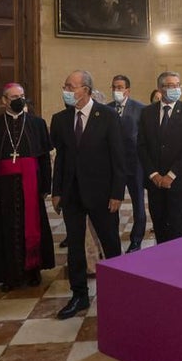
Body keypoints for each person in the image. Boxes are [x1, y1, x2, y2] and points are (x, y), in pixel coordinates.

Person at [50, 70, 126, 319]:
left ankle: (118, 292)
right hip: (72, 194)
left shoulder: (107, 115)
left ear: (86, 90)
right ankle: (79, 295)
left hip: (102, 194)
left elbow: (118, 158)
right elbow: (60, 159)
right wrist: (57, 191)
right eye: (65, 86)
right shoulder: (60, 119)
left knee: (111, 243)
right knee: (75, 248)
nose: (67, 90)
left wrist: (117, 193)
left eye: (71, 86)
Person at [0, 82, 54, 291]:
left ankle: (33, 270)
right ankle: (9, 274)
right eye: (13, 97)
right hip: (3, 187)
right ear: (4, 101)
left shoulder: (37, 124)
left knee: (33, 226)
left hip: (31, 184)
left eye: (21, 95)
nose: (19, 100)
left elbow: (44, 159)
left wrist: (47, 186)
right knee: (6, 230)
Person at [138, 71, 182, 243]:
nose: (175, 89)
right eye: (170, 86)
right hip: (154, 183)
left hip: (178, 182)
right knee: (160, 228)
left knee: (178, 230)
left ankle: (178, 267)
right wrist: (154, 174)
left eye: (177, 85)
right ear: (160, 88)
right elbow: (141, 146)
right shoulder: (146, 113)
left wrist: (171, 175)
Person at [109, 74, 147, 252]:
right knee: (111, 202)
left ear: (127, 90)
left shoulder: (140, 109)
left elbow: (145, 138)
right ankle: (111, 238)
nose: (117, 90)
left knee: (138, 203)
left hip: (134, 164)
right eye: (114, 87)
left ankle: (136, 239)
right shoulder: (106, 109)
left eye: (120, 87)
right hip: (113, 166)